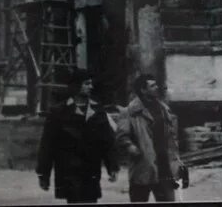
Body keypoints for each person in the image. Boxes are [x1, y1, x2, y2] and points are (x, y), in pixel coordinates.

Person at [36, 69, 119, 204]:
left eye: (91, 83)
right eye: (86, 83)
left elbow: (107, 141)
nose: (90, 87)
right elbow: (47, 145)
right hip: (68, 172)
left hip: (91, 171)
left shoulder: (97, 111)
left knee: (91, 200)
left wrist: (112, 166)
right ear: (76, 85)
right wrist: (43, 174)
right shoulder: (58, 112)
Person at [116, 74, 187, 203]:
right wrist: (131, 148)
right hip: (143, 167)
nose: (157, 87)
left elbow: (171, 136)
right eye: (152, 86)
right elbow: (122, 136)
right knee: (139, 201)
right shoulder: (130, 112)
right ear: (143, 90)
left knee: (168, 202)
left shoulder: (163, 109)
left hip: (165, 166)